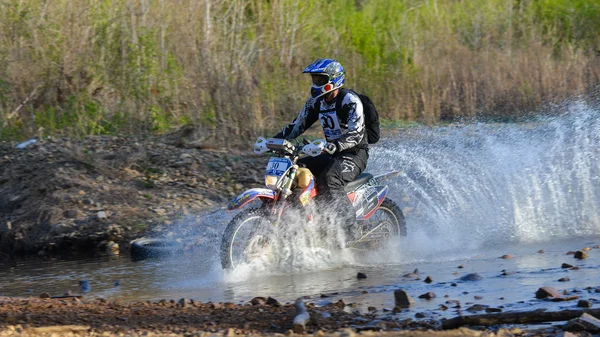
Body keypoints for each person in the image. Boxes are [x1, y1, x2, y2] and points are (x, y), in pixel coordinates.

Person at [274, 58, 368, 243]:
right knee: (296, 169)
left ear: (333, 80)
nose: (315, 84)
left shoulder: (349, 100)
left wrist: (335, 145)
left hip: (354, 154)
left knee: (330, 178)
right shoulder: (316, 102)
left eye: (319, 80)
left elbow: (356, 134)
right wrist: (274, 141)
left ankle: (351, 231)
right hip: (330, 153)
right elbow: (296, 126)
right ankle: (309, 221)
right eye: (314, 80)